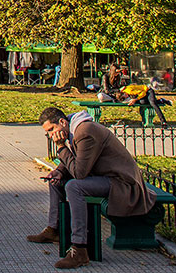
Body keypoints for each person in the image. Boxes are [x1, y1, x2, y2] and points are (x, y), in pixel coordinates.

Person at [28, 107, 156, 269]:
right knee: (56, 180)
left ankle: (80, 249)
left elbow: (79, 173)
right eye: (48, 132)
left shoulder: (85, 132)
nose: (51, 135)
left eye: (52, 130)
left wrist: (61, 147)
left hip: (122, 183)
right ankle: (54, 229)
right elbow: (78, 157)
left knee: (75, 187)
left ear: (62, 122)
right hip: (104, 176)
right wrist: (59, 171)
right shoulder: (74, 128)